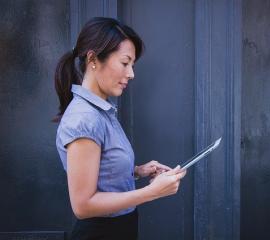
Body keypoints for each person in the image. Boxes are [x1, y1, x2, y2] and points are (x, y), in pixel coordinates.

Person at [54, 17, 186, 240]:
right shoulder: (85, 118)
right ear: (93, 58)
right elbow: (83, 205)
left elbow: (100, 171)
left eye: (132, 65)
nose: (131, 74)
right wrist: (151, 193)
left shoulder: (100, 111)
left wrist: (136, 171)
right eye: (125, 63)